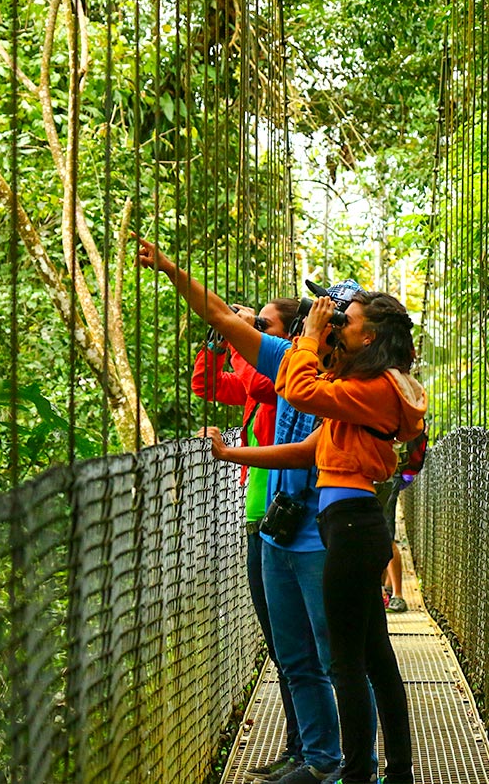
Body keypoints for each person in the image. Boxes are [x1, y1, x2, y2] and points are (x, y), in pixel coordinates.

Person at [136, 235, 348, 784]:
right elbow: (211, 372)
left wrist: (233, 449)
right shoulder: (283, 364)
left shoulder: (348, 384)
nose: (315, 325)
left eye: (327, 317)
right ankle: (314, 758)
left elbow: (307, 444)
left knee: (336, 658)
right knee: (292, 653)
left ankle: (351, 764)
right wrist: (170, 268)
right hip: (276, 525)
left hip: (324, 530)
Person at [275, 290, 426, 784]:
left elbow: (298, 391)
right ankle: (396, 773)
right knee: (376, 659)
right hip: (354, 525)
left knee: (345, 661)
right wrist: (322, 338)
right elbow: (301, 385)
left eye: (350, 319)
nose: (341, 323)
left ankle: (358, 773)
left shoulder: (378, 389)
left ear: (372, 336)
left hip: (352, 526)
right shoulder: (371, 384)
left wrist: (312, 336)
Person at [190, 299, 307, 778]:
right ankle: (300, 745)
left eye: (263, 325)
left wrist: (239, 333)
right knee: (282, 645)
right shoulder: (263, 382)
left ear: (285, 336)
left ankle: (313, 751)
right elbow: (209, 386)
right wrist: (218, 340)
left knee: (295, 647)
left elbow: (260, 379)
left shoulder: (285, 372)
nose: (253, 329)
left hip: (280, 516)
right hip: (258, 512)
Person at [377, 428, 426, 614]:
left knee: (385, 535)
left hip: (388, 470)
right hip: (385, 469)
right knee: (378, 532)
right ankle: (387, 590)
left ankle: (397, 594)